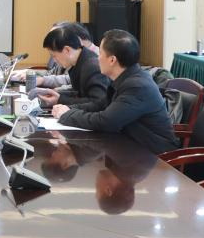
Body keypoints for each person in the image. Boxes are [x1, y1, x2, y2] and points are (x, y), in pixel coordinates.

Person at [51, 29, 179, 154]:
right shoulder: (126, 78)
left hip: (155, 156)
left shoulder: (137, 86)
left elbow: (106, 122)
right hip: (131, 148)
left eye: (100, 54)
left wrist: (67, 115)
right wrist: (68, 108)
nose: (97, 58)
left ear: (112, 60)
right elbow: (99, 105)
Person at [34, 24, 108, 110]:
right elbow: (79, 94)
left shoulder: (92, 66)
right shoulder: (78, 62)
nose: (54, 60)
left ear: (67, 50)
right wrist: (56, 94)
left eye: (54, 56)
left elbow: (98, 103)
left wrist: (60, 99)